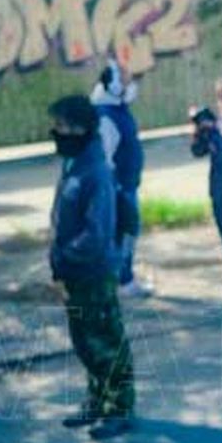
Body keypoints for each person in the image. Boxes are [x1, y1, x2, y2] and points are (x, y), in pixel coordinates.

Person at [48, 94, 136, 439]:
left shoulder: (95, 171)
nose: (56, 133)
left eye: (62, 127)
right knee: (85, 340)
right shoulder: (74, 162)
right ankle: (97, 399)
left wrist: (63, 257)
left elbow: (96, 233)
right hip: (75, 272)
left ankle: (119, 407)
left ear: (82, 128)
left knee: (105, 340)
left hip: (93, 272)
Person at [92, 59, 150, 298]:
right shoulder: (106, 116)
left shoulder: (117, 110)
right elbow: (104, 158)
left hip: (127, 185)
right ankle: (122, 280)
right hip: (118, 188)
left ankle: (121, 278)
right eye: (124, 77)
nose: (129, 81)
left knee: (126, 232)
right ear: (113, 84)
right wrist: (113, 189)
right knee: (124, 232)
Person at [191, 76, 222, 278]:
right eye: (220, 99)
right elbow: (197, 151)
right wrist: (200, 132)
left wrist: (216, 130)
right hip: (220, 194)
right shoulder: (218, 124)